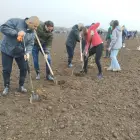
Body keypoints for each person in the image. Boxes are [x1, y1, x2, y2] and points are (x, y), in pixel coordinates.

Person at [0, 16, 40, 95]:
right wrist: (16, 33)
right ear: (29, 22)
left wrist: (28, 52)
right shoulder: (15, 21)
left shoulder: (32, 32)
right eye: (35, 26)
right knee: (7, 69)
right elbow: (3, 28)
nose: (36, 28)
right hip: (7, 49)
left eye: (37, 27)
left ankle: (21, 86)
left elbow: (30, 43)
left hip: (21, 51)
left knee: (24, 68)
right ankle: (6, 86)